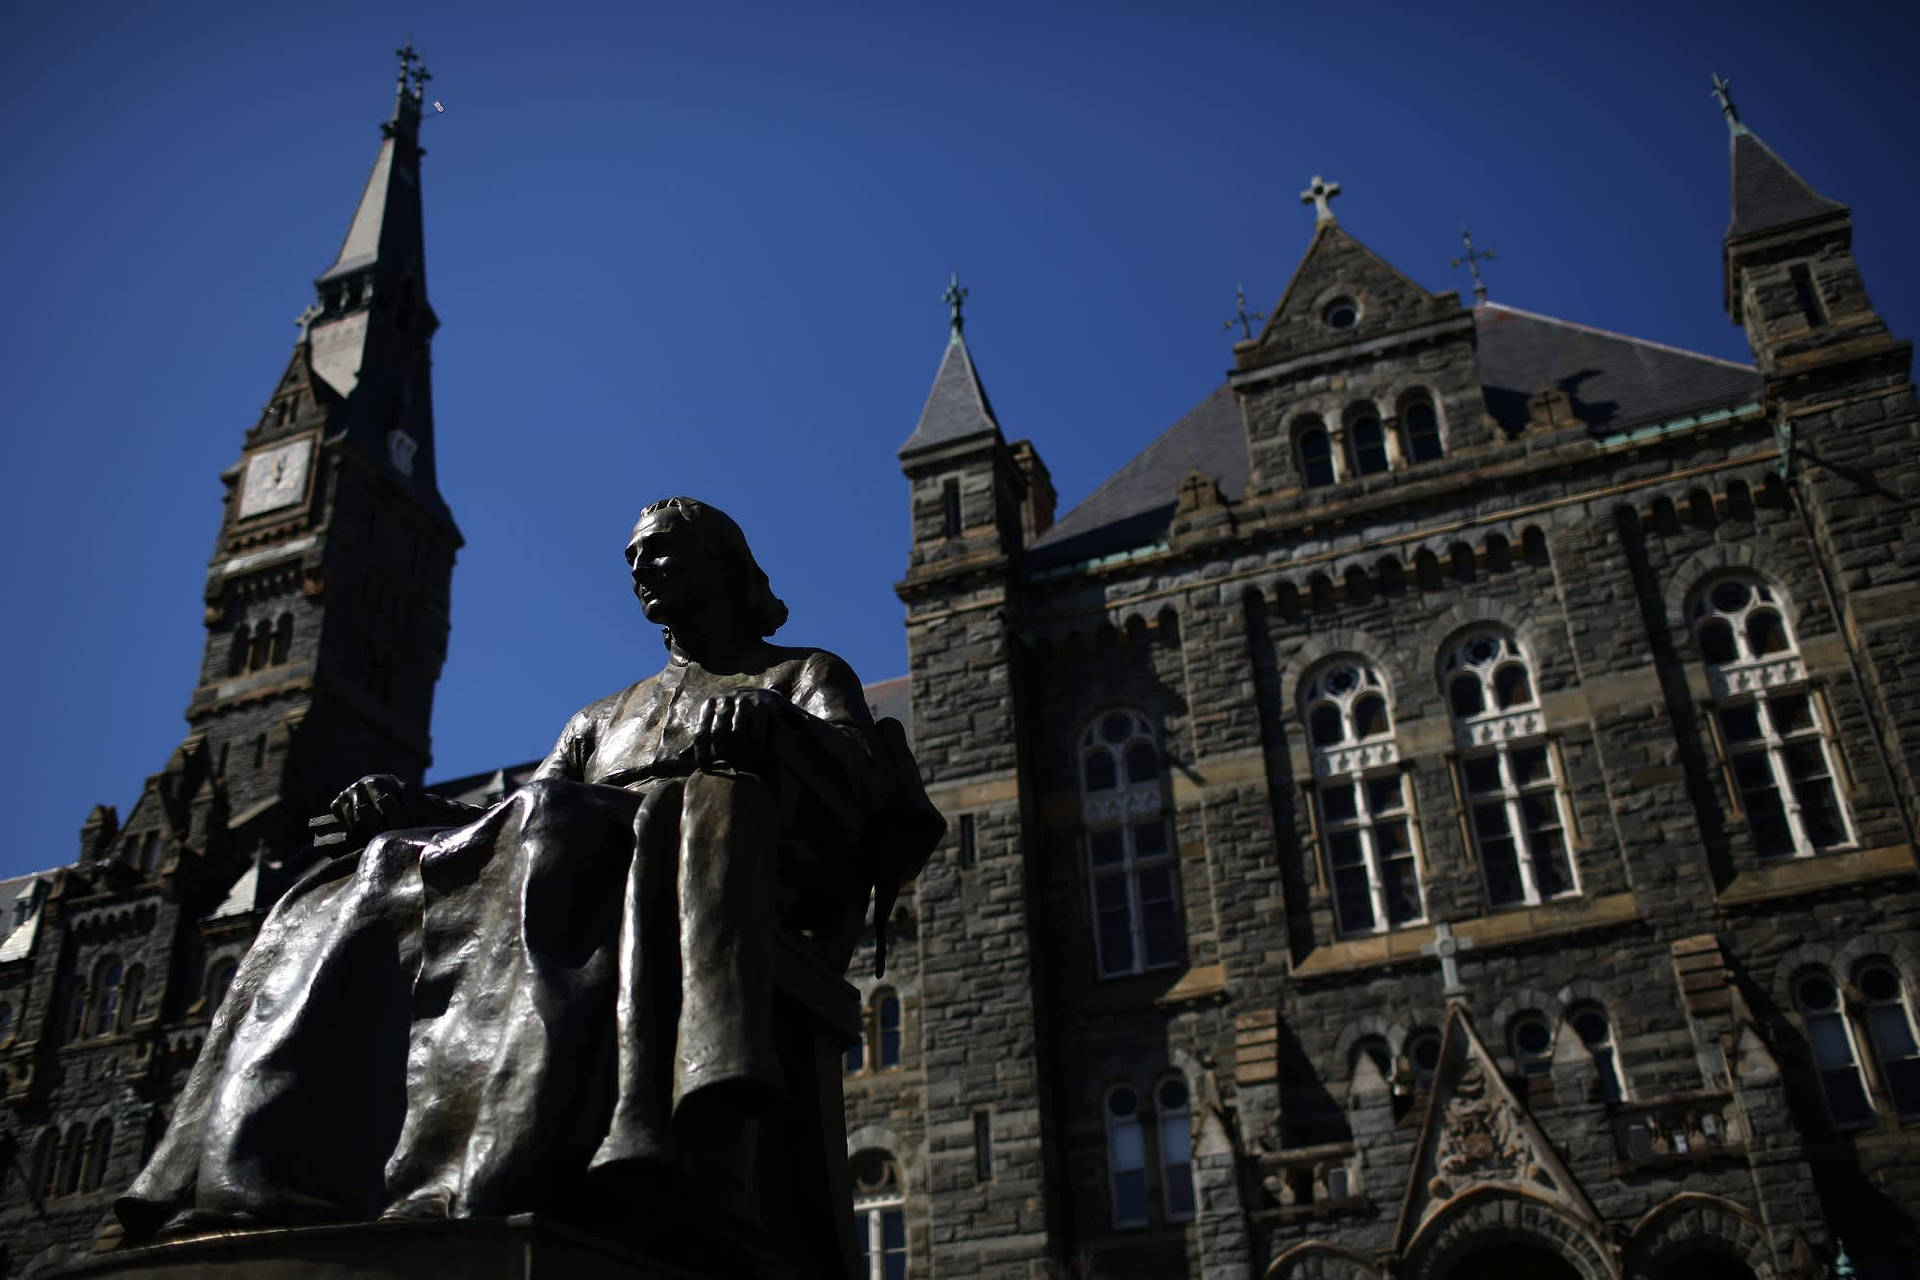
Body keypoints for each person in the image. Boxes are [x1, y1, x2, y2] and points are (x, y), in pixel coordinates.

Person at [117, 498, 934, 1252]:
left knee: (576, 819)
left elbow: (867, 780)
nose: (641, 570)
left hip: (713, 875)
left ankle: (480, 1170)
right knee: (346, 880)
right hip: (583, 871)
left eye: (660, 553)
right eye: (632, 559)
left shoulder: (800, 673)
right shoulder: (600, 718)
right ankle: (250, 1171)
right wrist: (410, 811)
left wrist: (779, 727)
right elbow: (506, 823)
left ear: (723, 566)